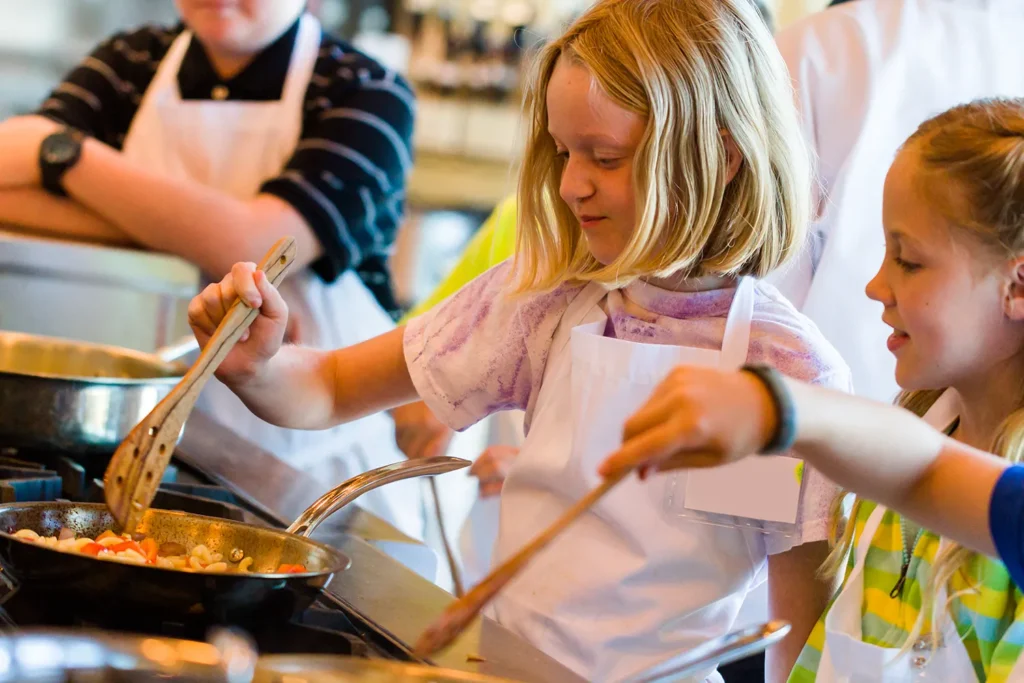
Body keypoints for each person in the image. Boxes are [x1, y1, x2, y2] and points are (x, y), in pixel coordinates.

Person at [187, 1, 852, 680]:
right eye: (563, 152)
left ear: (723, 154)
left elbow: (799, 633)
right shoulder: (547, 300)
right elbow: (328, 388)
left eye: (606, 155)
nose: (570, 184)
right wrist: (258, 365)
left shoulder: (787, 375)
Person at [603, 99, 1024, 682]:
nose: (878, 285)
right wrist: (775, 409)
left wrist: (779, 406)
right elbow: (916, 469)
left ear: (1017, 285)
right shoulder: (912, 454)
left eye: (909, 261)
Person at [0, 1, 424, 539]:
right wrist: (202, 234)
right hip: (154, 447)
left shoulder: (367, 93)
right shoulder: (131, 62)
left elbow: (257, 242)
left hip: (314, 476)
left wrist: (64, 154)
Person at [768, 0, 1024, 405]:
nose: (877, 285)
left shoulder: (825, 48)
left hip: (821, 405)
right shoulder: (824, 48)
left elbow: (762, 283)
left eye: (908, 260)